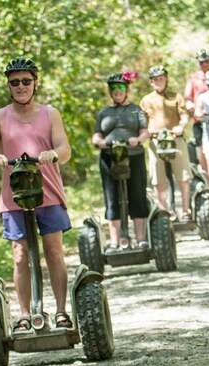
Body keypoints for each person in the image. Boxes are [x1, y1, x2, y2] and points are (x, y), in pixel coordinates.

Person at [0, 57, 73, 332]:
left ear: (35, 83)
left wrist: (53, 153)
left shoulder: (50, 113)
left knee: (54, 252)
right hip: (14, 195)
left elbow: (65, 149)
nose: (21, 86)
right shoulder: (0, 116)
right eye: (15, 82)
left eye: (26, 81)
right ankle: (25, 315)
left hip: (48, 192)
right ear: (8, 85)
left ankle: (61, 311)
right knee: (20, 255)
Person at [92, 72, 151, 250]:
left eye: (121, 88)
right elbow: (97, 134)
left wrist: (138, 140)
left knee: (137, 194)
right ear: (110, 91)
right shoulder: (104, 112)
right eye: (114, 88)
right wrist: (98, 141)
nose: (117, 91)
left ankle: (141, 239)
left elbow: (145, 131)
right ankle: (115, 241)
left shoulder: (136, 110)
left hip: (133, 155)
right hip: (110, 156)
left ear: (126, 90)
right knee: (112, 197)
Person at [140, 64, 192, 220]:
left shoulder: (175, 97)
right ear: (151, 82)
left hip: (175, 139)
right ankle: (164, 212)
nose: (158, 81)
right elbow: (142, 121)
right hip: (156, 141)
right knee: (158, 179)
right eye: (155, 79)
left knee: (183, 176)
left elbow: (184, 115)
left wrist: (181, 126)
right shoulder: (146, 100)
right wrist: (145, 132)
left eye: (160, 78)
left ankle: (185, 210)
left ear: (166, 79)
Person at [184, 49, 209, 175]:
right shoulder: (194, 78)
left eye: (206, 61)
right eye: (201, 62)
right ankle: (207, 176)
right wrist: (190, 104)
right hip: (200, 118)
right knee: (202, 149)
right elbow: (187, 97)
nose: (204, 64)